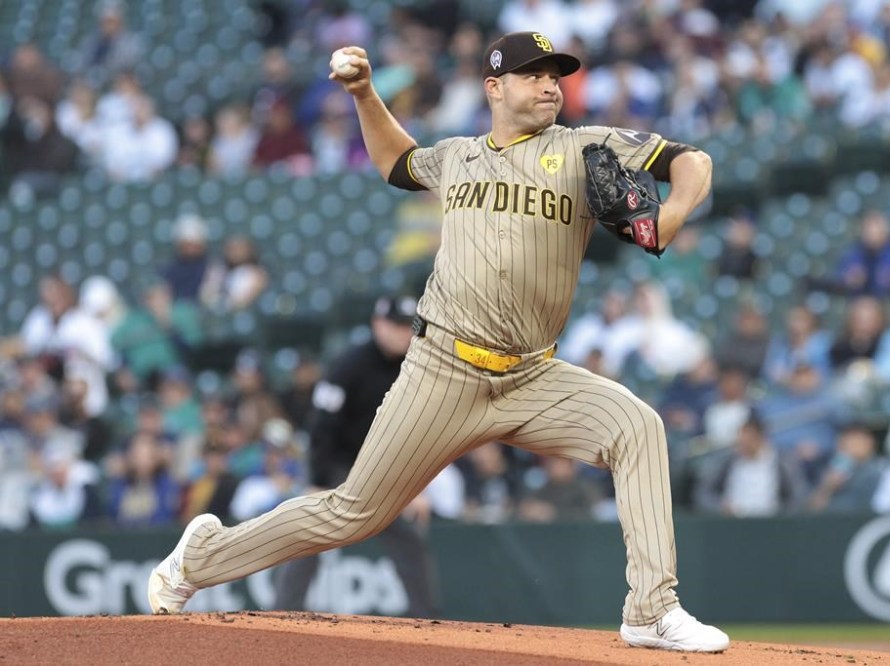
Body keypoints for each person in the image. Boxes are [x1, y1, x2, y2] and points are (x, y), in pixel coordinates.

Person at [149, 32, 728, 653]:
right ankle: (200, 559)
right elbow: (396, 163)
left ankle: (651, 608)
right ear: (494, 87)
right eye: (533, 75)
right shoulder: (458, 156)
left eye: (555, 76)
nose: (549, 85)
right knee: (353, 513)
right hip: (442, 370)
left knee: (637, 428)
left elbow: (692, 160)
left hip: (532, 376)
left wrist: (667, 217)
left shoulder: (586, 147)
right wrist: (366, 94)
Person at [271, 295, 441, 617]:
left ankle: (426, 619)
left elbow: (417, 432)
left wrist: (416, 486)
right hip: (339, 466)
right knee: (311, 535)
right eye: (396, 325)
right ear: (377, 324)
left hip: (382, 470)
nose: (403, 333)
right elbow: (321, 425)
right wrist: (318, 481)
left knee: (408, 539)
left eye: (409, 326)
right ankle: (283, 614)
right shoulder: (350, 364)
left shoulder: (418, 366)